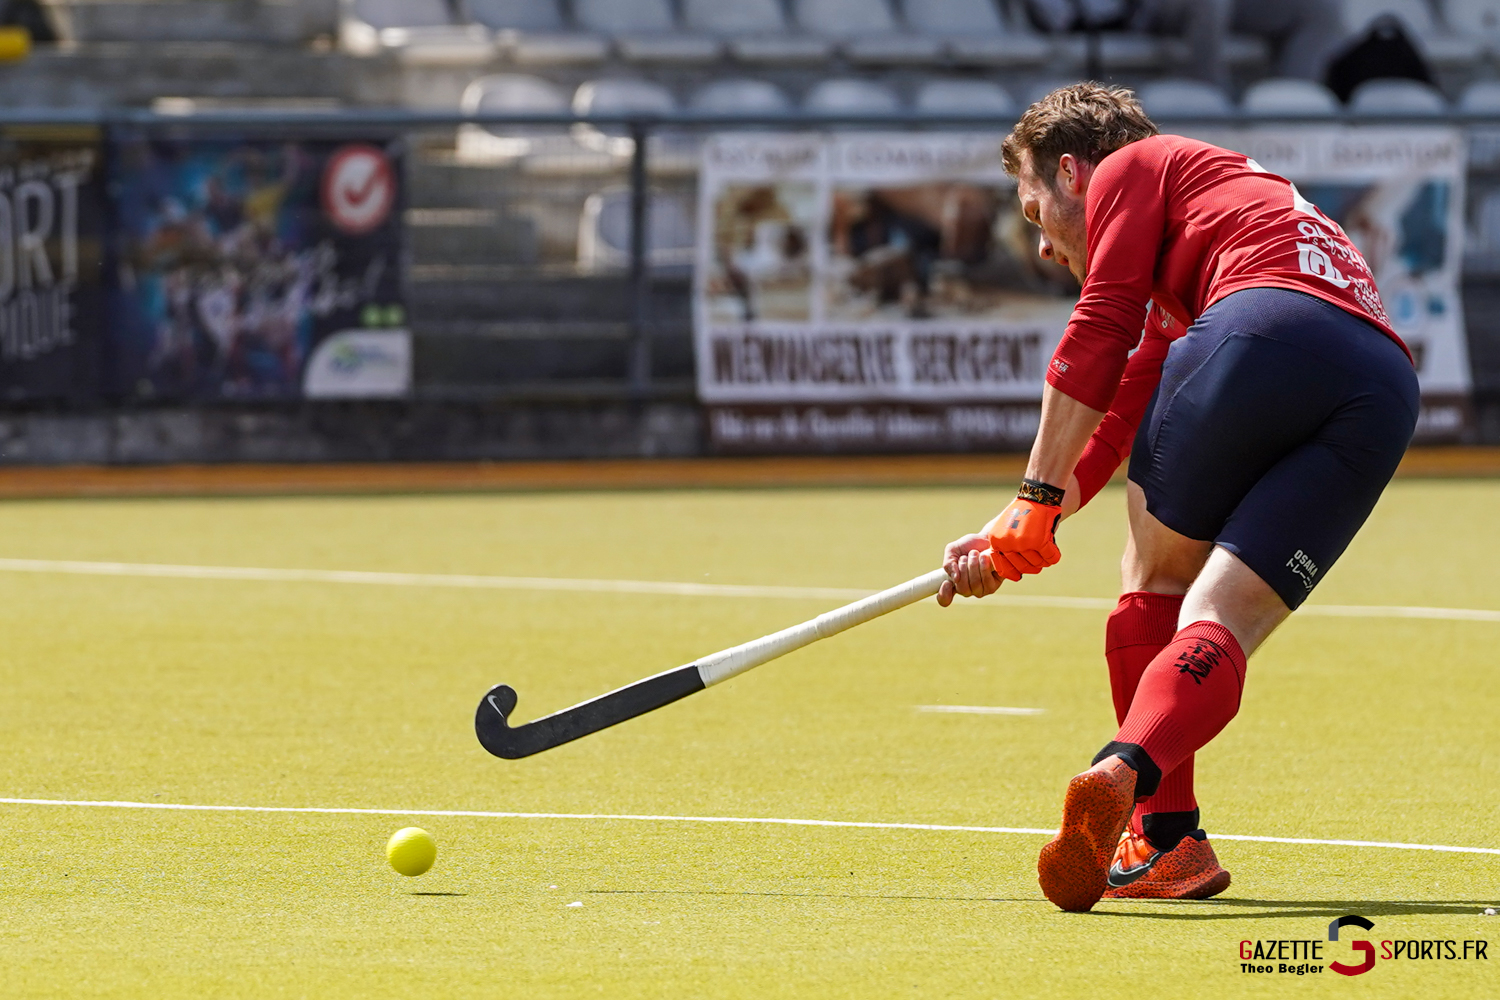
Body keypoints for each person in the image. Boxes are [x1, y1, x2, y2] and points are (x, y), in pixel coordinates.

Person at [936, 83, 1418, 912]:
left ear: (1069, 171)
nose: (1044, 248)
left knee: (1154, 579)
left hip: (1260, 328)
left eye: (1031, 209)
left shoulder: (1131, 165)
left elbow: (1100, 325)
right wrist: (1015, 529)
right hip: (1380, 382)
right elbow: (1120, 413)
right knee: (1223, 614)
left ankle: (1166, 838)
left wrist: (1034, 495)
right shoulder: (1216, 217)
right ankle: (1127, 774)